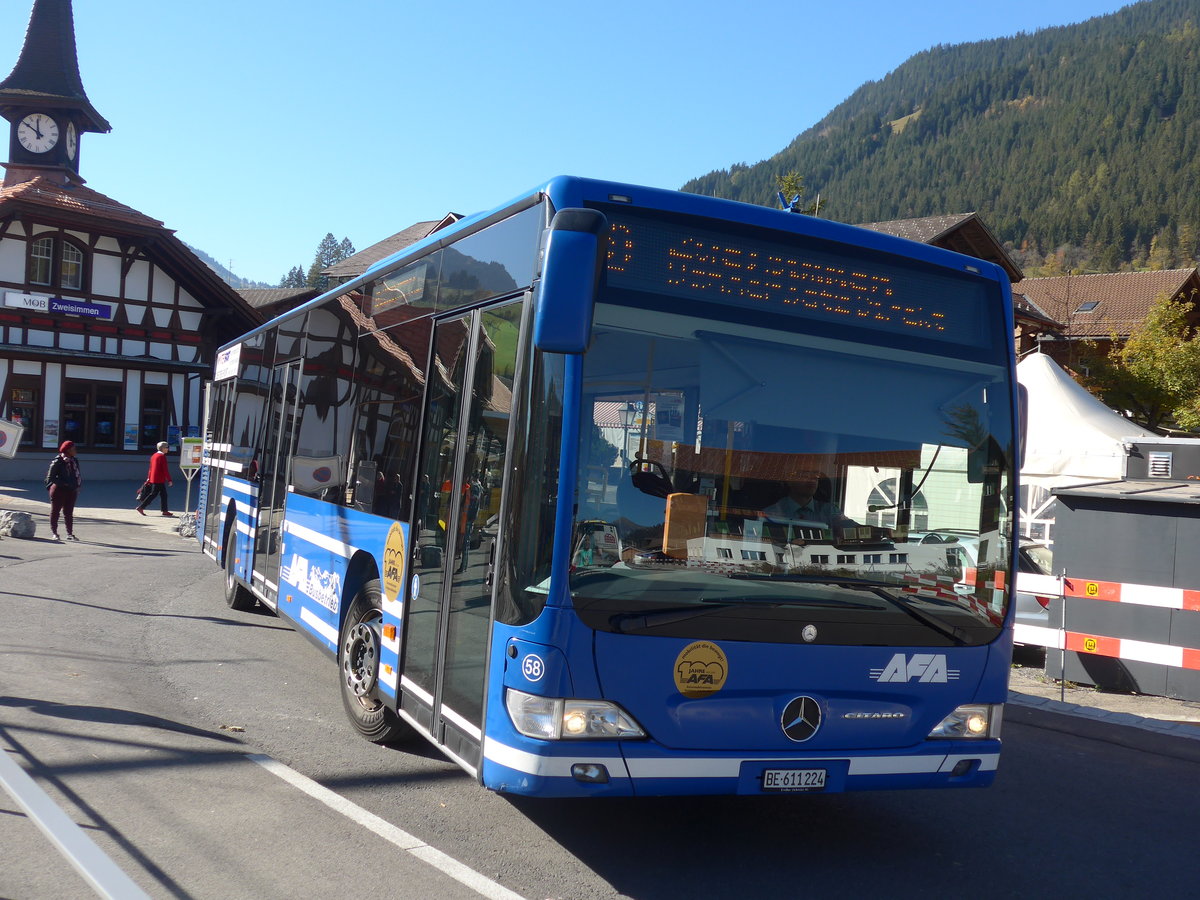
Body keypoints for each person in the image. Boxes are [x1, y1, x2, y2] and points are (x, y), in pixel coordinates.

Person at [759, 469, 857, 537]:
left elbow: (851, 527)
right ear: (790, 481)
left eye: (815, 477)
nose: (812, 480)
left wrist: (870, 530)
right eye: (804, 476)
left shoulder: (829, 510)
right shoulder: (770, 513)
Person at [45, 440, 82, 541]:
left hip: (72, 490)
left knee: (68, 512)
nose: (75, 450)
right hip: (59, 491)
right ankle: (55, 533)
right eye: (73, 449)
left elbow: (77, 474)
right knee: (55, 511)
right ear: (68, 450)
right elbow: (50, 477)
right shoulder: (58, 461)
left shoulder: (74, 461)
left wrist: (78, 485)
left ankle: (70, 533)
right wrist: (64, 483)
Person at [136, 440, 174, 517]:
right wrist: (169, 480)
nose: (168, 449)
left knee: (164, 494)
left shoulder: (154, 455)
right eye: (167, 447)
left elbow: (150, 468)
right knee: (153, 494)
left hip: (153, 478)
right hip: (159, 479)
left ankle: (165, 510)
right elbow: (165, 469)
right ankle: (141, 507)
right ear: (162, 448)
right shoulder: (162, 456)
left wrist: (149, 478)